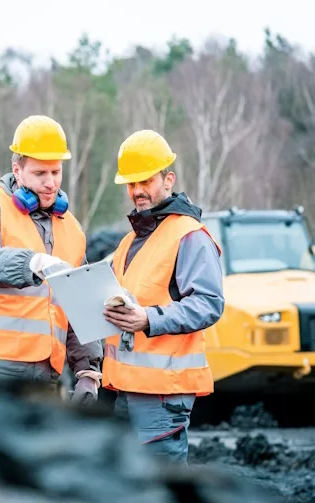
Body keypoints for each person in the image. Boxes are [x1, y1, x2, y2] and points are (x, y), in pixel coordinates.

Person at [0, 114, 103, 405]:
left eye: (56, 172)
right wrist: (33, 263)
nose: (50, 183)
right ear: (17, 170)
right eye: (40, 174)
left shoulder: (71, 228)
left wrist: (87, 372)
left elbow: (82, 305)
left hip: (44, 376)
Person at [101, 129, 225, 463]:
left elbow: (209, 304)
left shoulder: (189, 235)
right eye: (131, 184)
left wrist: (148, 319)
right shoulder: (130, 242)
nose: (137, 191)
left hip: (161, 396)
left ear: (168, 180)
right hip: (124, 391)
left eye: (146, 181)